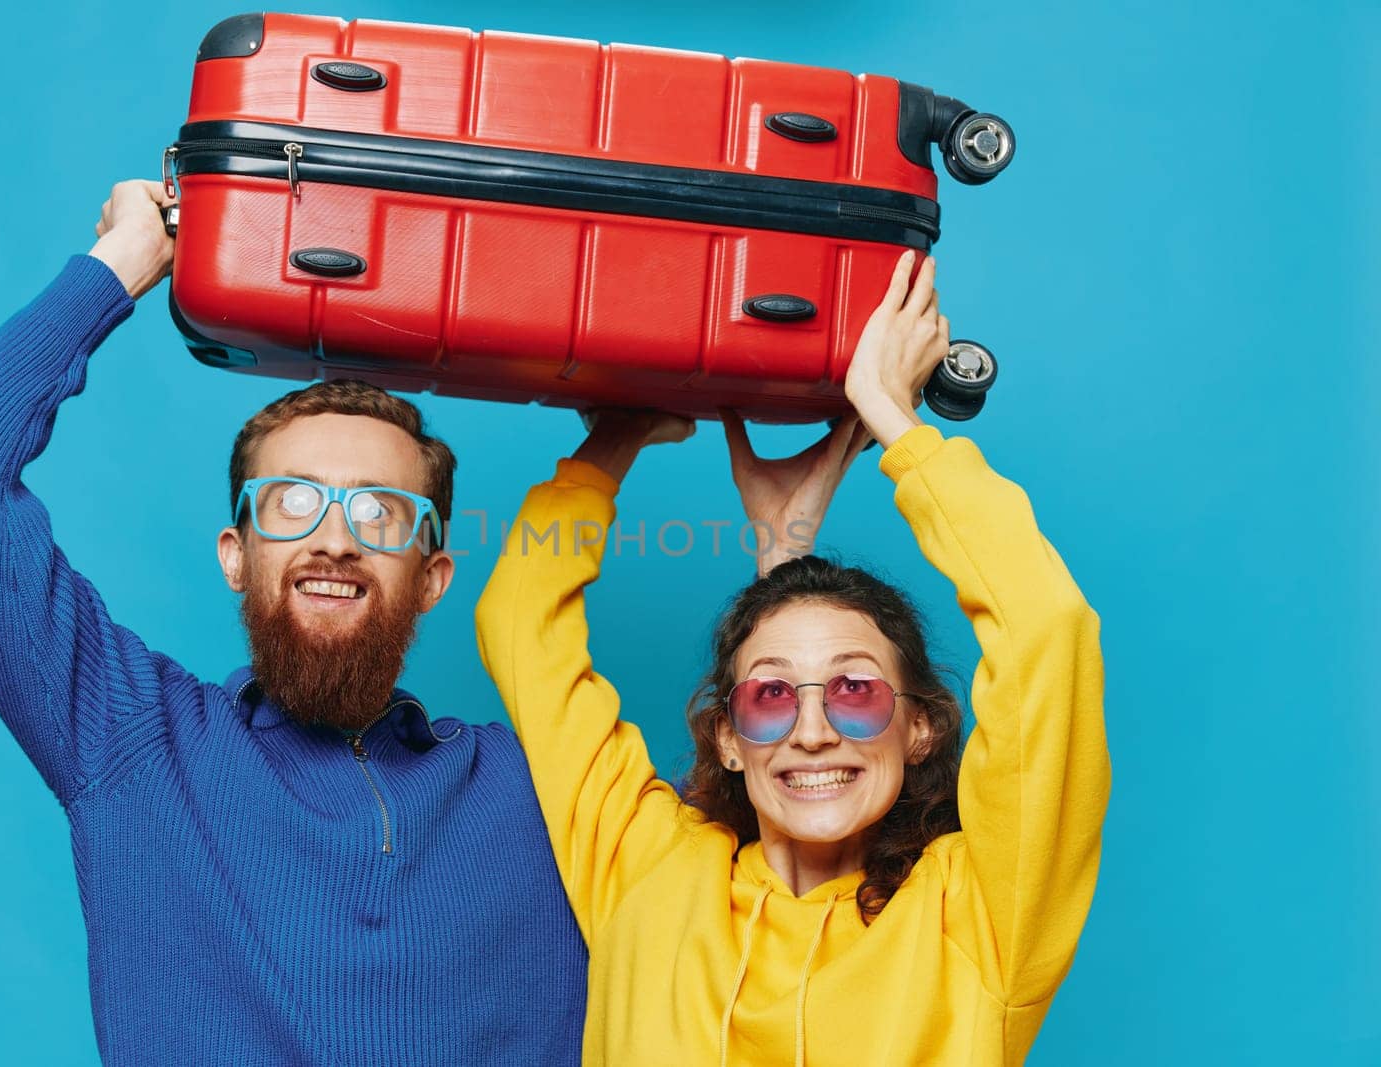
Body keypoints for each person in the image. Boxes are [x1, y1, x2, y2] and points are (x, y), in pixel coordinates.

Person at [0, 180, 587, 1065]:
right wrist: (121, 266)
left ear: (432, 578)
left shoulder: (538, 786)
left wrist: (763, 542)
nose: (334, 540)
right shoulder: (136, 741)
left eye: (379, 513)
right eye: (292, 504)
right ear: (234, 555)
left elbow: (778, 829)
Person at [475, 251, 1111, 1066]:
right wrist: (618, 434)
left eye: (855, 689)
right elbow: (521, 615)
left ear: (918, 727)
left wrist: (895, 423)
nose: (812, 730)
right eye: (772, 696)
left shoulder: (980, 910)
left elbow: (1046, 629)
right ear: (729, 738)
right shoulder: (649, 870)